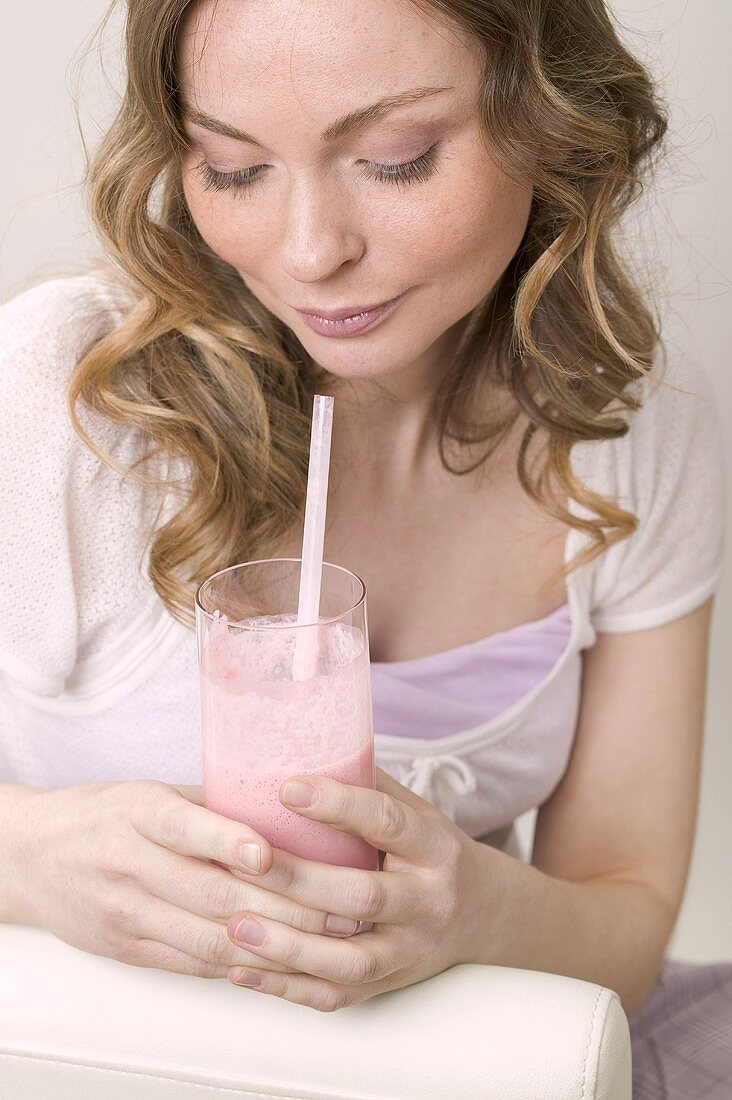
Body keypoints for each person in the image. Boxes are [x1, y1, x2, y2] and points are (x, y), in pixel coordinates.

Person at [0, 0, 729, 1094]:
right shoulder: (64, 396)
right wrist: (26, 860)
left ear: (550, 117)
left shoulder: (630, 434)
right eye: (235, 169)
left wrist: (478, 906)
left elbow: (619, 917)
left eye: (398, 159)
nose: (310, 253)